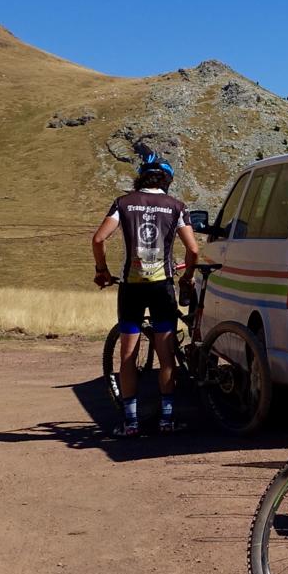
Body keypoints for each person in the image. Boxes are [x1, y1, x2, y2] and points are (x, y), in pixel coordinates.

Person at [92, 150, 199, 436]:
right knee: (166, 356)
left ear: (141, 177)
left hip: (132, 287)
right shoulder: (176, 206)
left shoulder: (123, 203)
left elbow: (99, 238)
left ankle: (130, 423)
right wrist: (187, 277)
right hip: (162, 285)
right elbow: (194, 249)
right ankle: (166, 421)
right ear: (166, 180)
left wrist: (102, 270)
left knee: (128, 355)